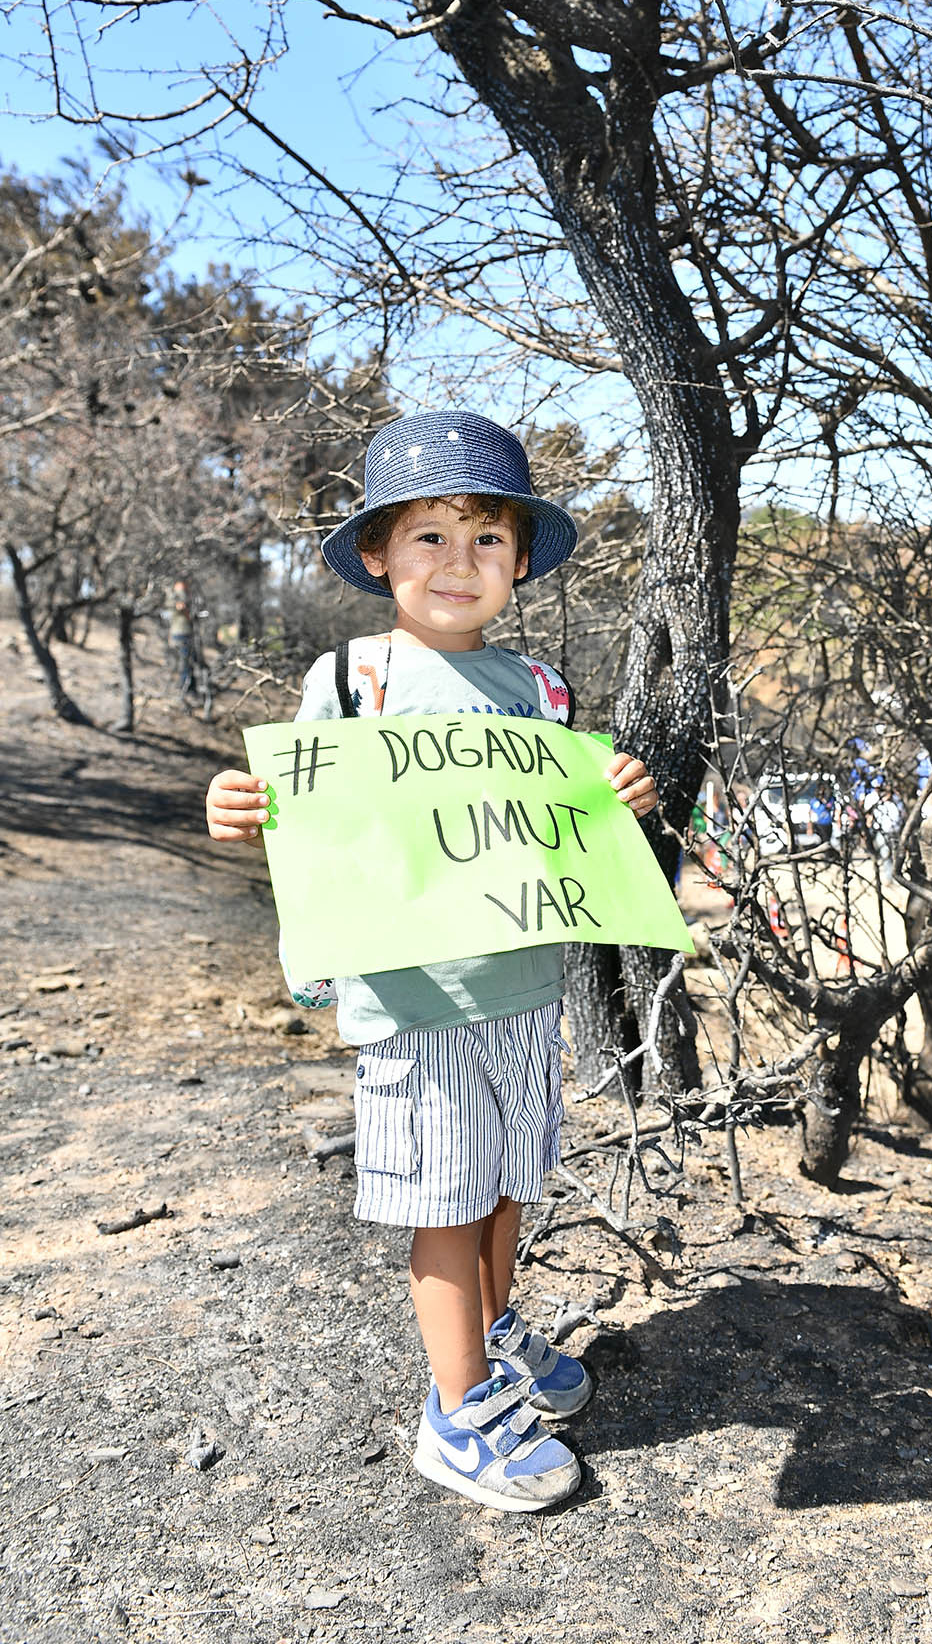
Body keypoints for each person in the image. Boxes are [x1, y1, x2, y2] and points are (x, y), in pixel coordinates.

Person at [204, 412, 660, 1513]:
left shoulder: (539, 690)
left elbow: (557, 822)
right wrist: (234, 804)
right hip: (414, 997)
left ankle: (494, 1335)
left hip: (520, 986)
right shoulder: (352, 679)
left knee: (508, 1178)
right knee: (445, 1199)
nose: (459, 563)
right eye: (429, 537)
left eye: (487, 539)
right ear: (377, 553)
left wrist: (618, 795)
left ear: (519, 558)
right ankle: (456, 1412)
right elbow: (304, 816)